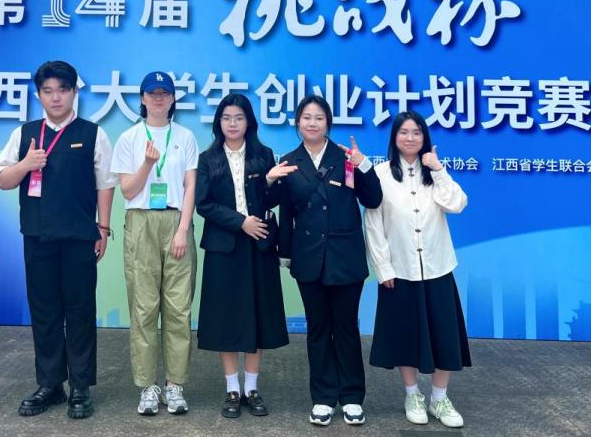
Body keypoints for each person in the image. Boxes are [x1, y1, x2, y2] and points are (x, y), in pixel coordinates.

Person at [0, 60, 116, 420]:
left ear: (74, 92)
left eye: (63, 90)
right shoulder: (24, 134)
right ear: (39, 95)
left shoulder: (93, 133)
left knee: (80, 312)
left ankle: (80, 387)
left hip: (79, 237)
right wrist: (26, 163)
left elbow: (105, 184)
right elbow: (2, 180)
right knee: (44, 312)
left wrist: (103, 228)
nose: (56, 97)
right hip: (38, 236)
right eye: (48, 91)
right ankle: (50, 384)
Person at [275, 95, 382, 426]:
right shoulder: (289, 161)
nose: (312, 123)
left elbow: (373, 199)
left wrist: (364, 165)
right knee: (318, 329)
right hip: (309, 259)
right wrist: (286, 253)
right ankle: (323, 397)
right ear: (298, 122)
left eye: (319, 117)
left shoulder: (345, 158)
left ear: (328, 123)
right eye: (306, 117)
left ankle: (351, 396)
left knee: (346, 328)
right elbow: (285, 212)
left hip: (345, 257)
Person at [364, 110, 471, 429]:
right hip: (400, 271)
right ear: (394, 137)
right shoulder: (381, 174)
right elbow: (373, 223)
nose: (410, 138)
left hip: (438, 268)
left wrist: (438, 170)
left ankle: (440, 398)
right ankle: (412, 395)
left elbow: (457, 204)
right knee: (406, 336)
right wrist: (383, 268)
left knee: (444, 337)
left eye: (416, 132)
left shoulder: (435, 171)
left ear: (424, 138)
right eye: (404, 132)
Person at [195, 93, 297, 418]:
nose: (233, 123)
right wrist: (241, 222)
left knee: (258, 317)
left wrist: (268, 181)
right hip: (224, 246)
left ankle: (251, 388)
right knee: (225, 319)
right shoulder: (208, 158)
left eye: (239, 118)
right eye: (227, 118)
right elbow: (203, 204)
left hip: (258, 245)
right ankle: (232, 389)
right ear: (219, 122)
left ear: (249, 122)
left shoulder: (263, 155)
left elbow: (272, 199)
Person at [110, 71, 198, 416]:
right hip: (141, 221)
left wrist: (183, 229)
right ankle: (148, 386)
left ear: (173, 99)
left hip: (176, 221)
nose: (158, 98)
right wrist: (148, 163)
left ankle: (175, 385)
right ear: (142, 99)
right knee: (144, 308)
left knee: (178, 309)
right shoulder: (129, 138)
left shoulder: (185, 136)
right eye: (152, 93)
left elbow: (190, 187)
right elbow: (127, 190)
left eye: (165, 93)